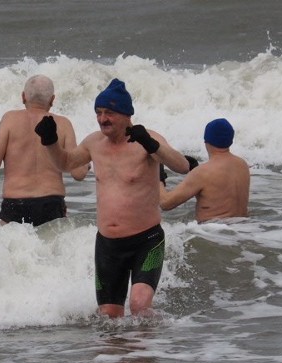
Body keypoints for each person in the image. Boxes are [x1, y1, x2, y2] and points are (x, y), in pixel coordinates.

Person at [34, 78, 192, 318]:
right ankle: (118, 356)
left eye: (109, 112)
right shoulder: (94, 143)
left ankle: (150, 353)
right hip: (108, 245)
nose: (102, 118)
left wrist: (151, 145)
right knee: (109, 316)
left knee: (139, 305)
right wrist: (50, 142)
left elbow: (182, 166)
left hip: (146, 240)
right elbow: (65, 163)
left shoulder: (146, 139)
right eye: (98, 112)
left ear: (126, 114)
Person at [0, 74, 90, 226]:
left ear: (23, 97)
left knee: (15, 249)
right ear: (52, 100)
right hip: (52, 202)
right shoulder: (63, 124)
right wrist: (86, 164)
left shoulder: (10, 119)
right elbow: (78, 173)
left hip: (15, 202)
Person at [159, 118, 250, 222]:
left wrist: (158, 176)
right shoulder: (242, 165)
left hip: (213, 233)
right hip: (242, 231)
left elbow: (165, 203)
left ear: (206, 140)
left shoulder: (203, 173)